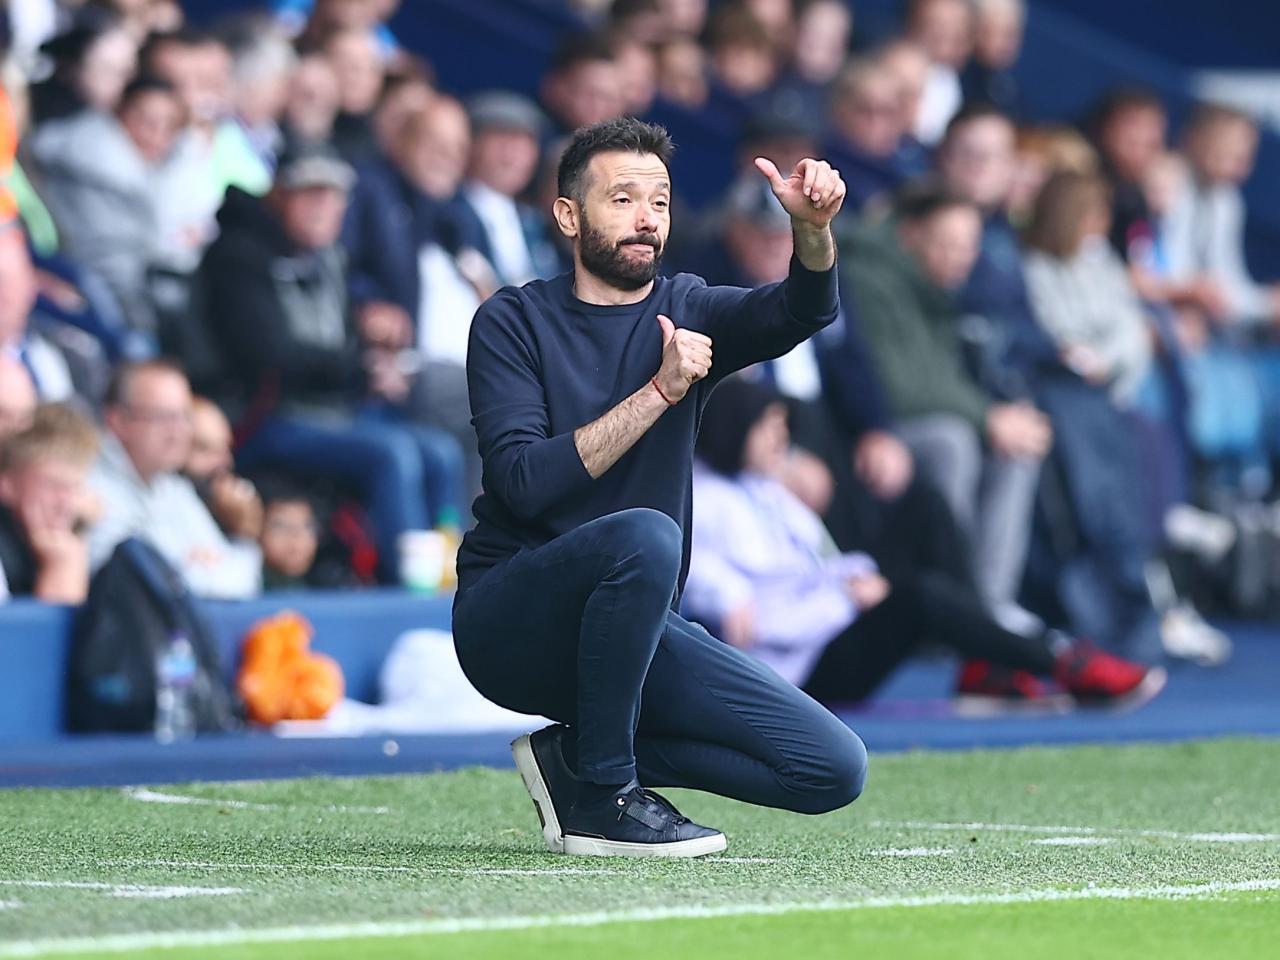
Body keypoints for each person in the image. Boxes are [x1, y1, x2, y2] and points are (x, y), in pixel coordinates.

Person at [454, 116, 864, 859]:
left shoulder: (689, 304)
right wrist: (661, 391)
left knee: (832, 768)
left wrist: (813, 232)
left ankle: (577, 759)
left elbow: (802, 310)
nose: (647, 217)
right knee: (645, 533)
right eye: (623, 199)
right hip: (512, 620)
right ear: (568, 216)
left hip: (635, 627)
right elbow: (522, 482)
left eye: (661, 202)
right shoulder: (512, 320)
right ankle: (606, 798)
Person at [685, 377, 1165, 709]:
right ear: (734, 430)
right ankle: (1061, 661)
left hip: (833, 619)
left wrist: (853, 580)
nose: (782, 438)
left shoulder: (765, 489)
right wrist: (845, 600)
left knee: (927, 507)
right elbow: (758, 626)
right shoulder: (703, 505)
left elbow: (819, 564)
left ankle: (985, 662)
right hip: (800, 672)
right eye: (768, 427)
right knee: (920, 596)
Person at [200, 142, 465, 580]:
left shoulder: (331, 258)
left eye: (333, 197)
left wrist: (376, 364)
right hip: (266, 416)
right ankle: (408, 586)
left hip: (335, 411)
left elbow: (342, 350)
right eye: (310, 194)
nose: (323, 208)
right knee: (392, 454)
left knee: (441, 452)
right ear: (279, 195)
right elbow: (269, 356)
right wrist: (359, 368)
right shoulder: (238, 256)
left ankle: (455, 577)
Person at [843, 186, 1049, 616]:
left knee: (1017, 448)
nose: (962, 257)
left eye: (970, 246)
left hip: (931, 418)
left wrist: (1001, 418)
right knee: (952, 441)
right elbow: (900, 389)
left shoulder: (934, 284)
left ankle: (991, 607)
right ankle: (952, 600)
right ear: (911, 235)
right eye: (948, 244)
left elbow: (945, 379)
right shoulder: (869, 277)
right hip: (871, 430)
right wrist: (987, 417)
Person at [86, 360, 262, 599]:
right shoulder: (87, 483)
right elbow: (136, 588)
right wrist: (196, 567)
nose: (179, 431)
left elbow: (246, 580)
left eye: (185, 417)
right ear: (117, 420)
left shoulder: (173, 487)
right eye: (163, 417)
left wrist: (185, 571)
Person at [0, 403, 99, 604]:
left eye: (74, 488)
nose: (65, 503)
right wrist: (62, 566)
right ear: (7, 485)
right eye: (53, 486)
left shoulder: (70, 539)